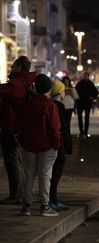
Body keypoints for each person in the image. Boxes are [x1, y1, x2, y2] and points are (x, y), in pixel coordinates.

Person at [16, 74, 61, 216]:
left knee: (28, 175)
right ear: (48, 88)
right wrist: (56, 145)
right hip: (46, 146)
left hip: (28, 145)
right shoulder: (50, 106)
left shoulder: (27, 104)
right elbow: (54, 129)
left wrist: (22, 141)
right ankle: (44, 206)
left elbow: (20, 125)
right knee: (45, 175)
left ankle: (27, 206)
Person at [0, 56, 37, 204]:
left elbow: (3, 91)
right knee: (16, 160)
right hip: (16, 127)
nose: (11, 68)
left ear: (20, 68)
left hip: (11, 127)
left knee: (12, 161)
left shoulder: (17, 84)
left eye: (13, 65)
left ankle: (16, 195)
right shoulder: (24, 82)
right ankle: (19, 193)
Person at [49, 80, 72, 211]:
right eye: (63, 90)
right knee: (55, 173)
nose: (64, 92)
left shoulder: (51, 104)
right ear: (59, 91)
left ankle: (53, 199)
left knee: (51, 174)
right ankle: (52, 200)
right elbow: (62, 128)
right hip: (58, 144)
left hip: (54, 144)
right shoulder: (59, 106)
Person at [75, 72, 99, 138]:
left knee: (87, 118)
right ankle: (81, 132)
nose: (85, 77)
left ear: (88, 77)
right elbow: (75, 92)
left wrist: (92, 97)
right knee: (79, 118)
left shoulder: (90, 83)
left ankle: (85, 132)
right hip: (80, 103)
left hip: (87, 103)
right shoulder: (79, 83)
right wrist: (77, 98)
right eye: (84, 76)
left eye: (86, 76)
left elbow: (96, 92)